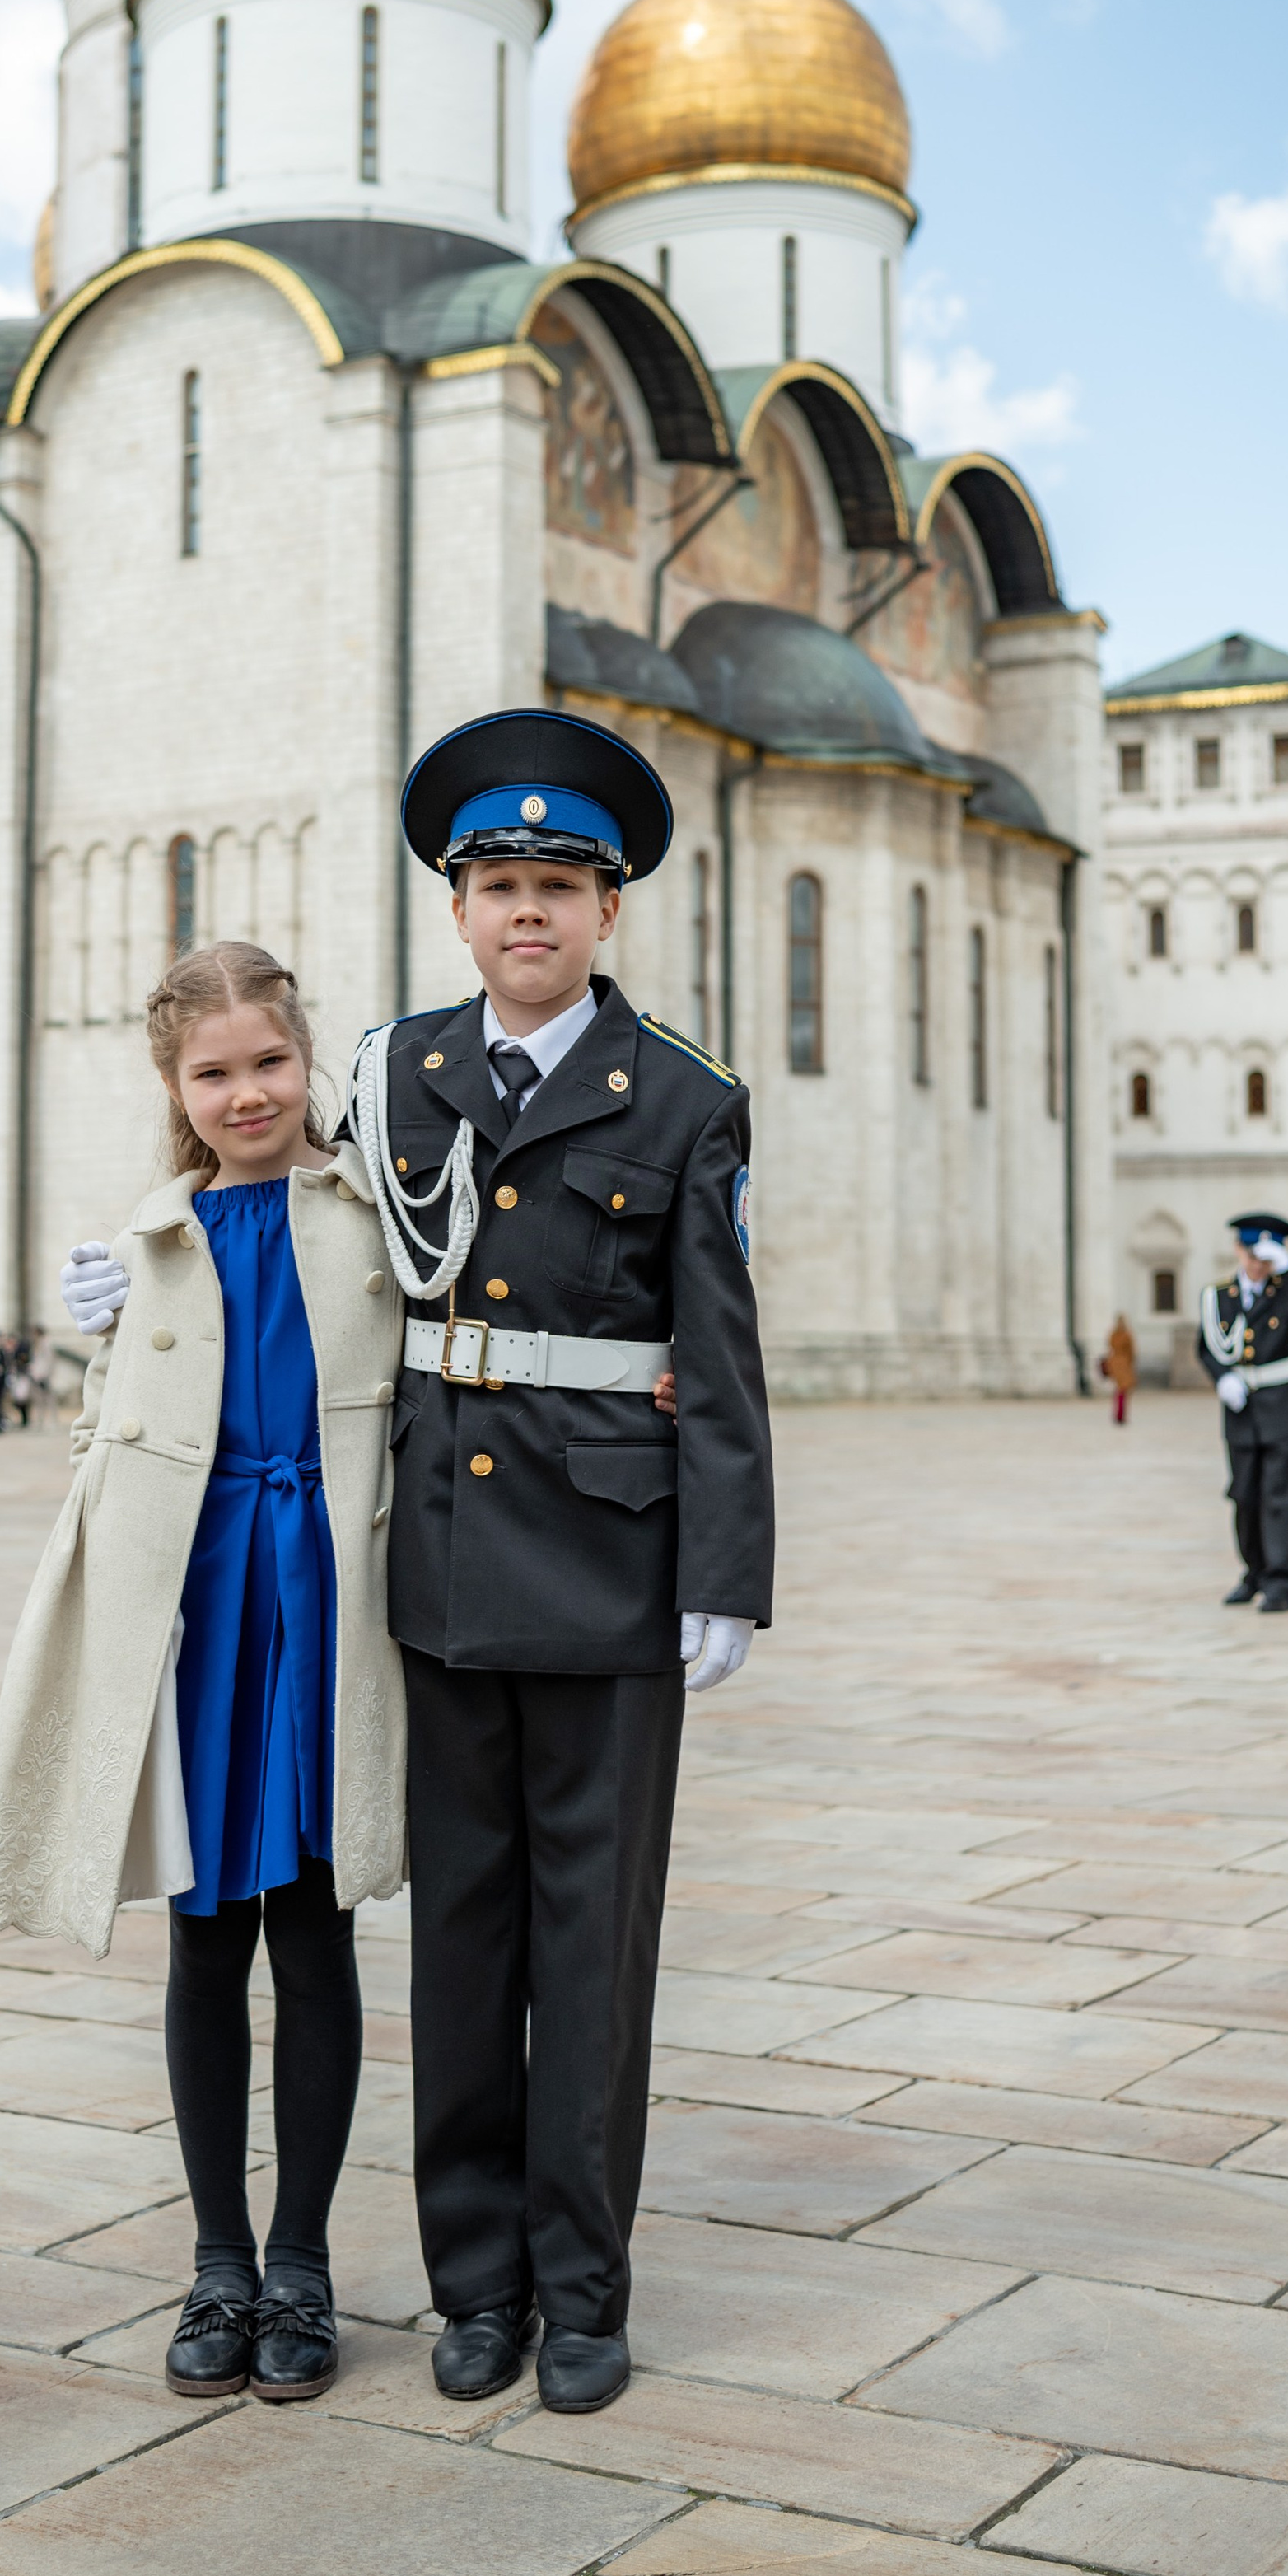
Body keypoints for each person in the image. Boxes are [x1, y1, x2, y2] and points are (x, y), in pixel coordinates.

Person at [345, 708, 776, 2419]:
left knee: (589, 1949)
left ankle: (582, 2289)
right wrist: (152, 1263)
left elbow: (719, 1348)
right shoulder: (394, 1076)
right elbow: (298, 1224)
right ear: (458, 908)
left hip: (607, 1567)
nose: (526, 913)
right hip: (445, 1565)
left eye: (557, 887)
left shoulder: (681, 1098)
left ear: (607, 913)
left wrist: (723, 1568)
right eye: (498, 883)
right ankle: (475, 2282)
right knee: (459, 1937)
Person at [0, 942, 408, 2410]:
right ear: (175, 1085)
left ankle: (303, 2260)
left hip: (327, 1594)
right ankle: (219, 2259)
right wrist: (103, 1329)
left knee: (317, 1924)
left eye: (269, 1062)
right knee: (206, 1933)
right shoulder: (152, 1239)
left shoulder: (378, 1213)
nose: (247, 1092)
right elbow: (108, 1453)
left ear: (307, 1060)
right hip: (203, 1609)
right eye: (213, 1072)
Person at [1199, 1210, 1288, 1612]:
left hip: (1283, 1408)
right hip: (1241, 1414)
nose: (1258, 1264)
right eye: (1252, 1254)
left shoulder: (1285, 1291)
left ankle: (1281, 1581)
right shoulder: (1219, 1297)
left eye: (1267, 1257)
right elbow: (1206, 1346)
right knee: (1244, 1496)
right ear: (1238, 1250)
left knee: (1278, 1498)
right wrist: (1222, 1378)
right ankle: (1253, 1572)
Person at [1100, 1316, 1137, 1425]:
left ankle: (1118, 1414)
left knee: (1119, 1390)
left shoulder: (1113, 1334)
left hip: (1114, 1363)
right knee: (1123, 1390)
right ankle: (1121, 1415)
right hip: (1124, 1363)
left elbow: (1110, 1347)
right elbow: (1132, 1351)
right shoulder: (1127, 1335)